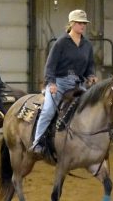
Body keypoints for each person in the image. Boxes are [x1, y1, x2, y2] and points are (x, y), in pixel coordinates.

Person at [29, 9, 98, 154]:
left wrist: (91, 75)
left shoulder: (87, 45)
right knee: (48, 110)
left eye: (84, 23)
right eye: (80, 23)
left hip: (77, 85)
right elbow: (50, 65)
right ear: (72, 24)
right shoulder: (61, 43)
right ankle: (37, 142)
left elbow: (90, 64)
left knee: (90, 107)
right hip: (59, 83)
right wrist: (51, 83)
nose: (83, 26)